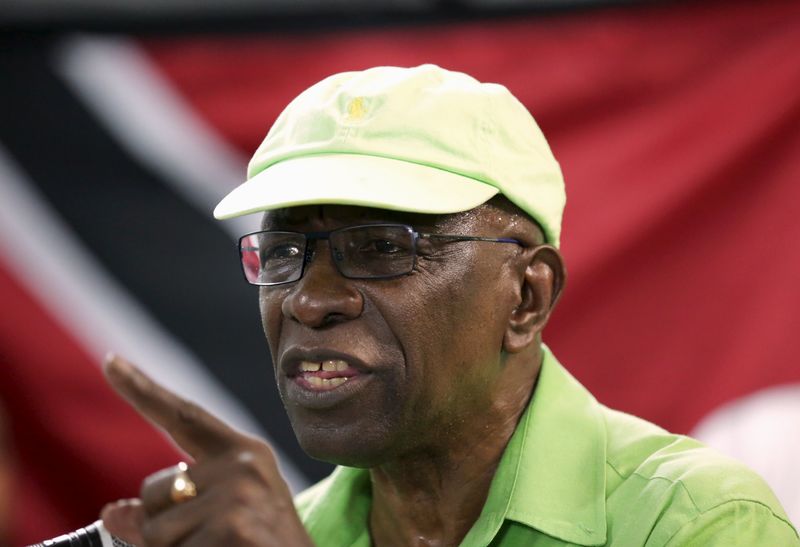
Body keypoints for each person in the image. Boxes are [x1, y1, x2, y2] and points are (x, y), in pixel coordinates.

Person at [100, 64, 798, 546]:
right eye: (284, 253)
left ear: (527, 296)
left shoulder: (691, 521)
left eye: (379, 247)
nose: (310, 299)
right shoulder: (289, 533)